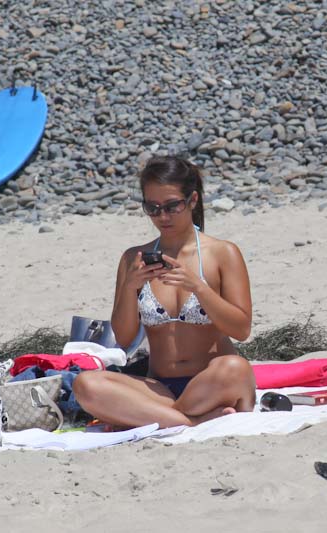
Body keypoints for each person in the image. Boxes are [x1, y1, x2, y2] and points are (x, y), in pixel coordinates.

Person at [74, 156, 255, 428]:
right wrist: (130, 287)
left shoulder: (222, 253)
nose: (163, 217)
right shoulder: (132, 259)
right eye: (153, 208)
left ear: (192, 200)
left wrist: (198, 288)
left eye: (172, 206)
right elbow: (123, 340)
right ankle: (191, 421)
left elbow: (241, 329)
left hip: (210, 381)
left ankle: (155, 417)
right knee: (85, 384)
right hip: (158, 387)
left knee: (235, 368)